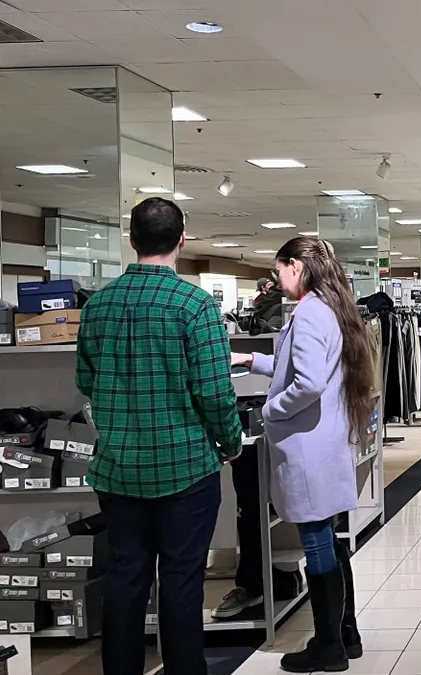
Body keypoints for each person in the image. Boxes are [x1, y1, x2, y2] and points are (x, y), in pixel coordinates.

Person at [76, 197, 243, 675]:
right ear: (182, 239)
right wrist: (229, 441)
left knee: (125, 579)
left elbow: (86, 381)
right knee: (182, 580)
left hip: (117, 469)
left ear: (131, 239)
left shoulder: (99, 305)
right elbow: (214, 392)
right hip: (185, 467)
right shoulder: (195, 306)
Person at [231, 237, 371, 672]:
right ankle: (345, 633)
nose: (277, 279)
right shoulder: (330, 309)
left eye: (280, 270)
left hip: (308, 445)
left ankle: (329, 644)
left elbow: (306, 383)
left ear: (296, 266)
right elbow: (299, 366)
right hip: (323, 443)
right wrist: (253, 361)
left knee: (317, 540)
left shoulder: (310, 312)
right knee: (327, 536)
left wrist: (270, 410)